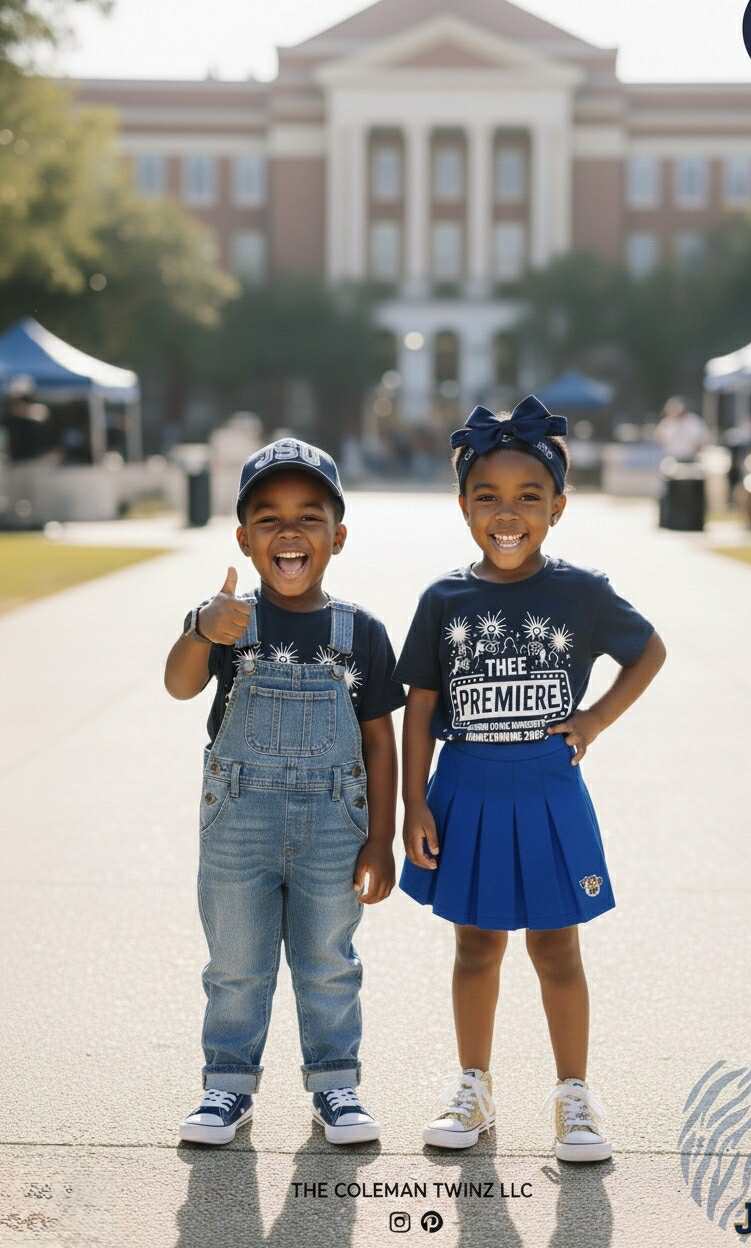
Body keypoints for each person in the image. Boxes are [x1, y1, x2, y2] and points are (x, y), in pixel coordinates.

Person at [394, 396, 666, 1162]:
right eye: (488, 497)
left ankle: (574, 1097)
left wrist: (596, 720)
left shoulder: (579, 591)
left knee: (557, 949)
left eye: (528, 499)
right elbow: (420, 707)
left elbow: (649, 651)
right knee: (476, 947)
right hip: (466, 791)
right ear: (463, 506)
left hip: (548, 793)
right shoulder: (445, 599)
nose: (507, 515)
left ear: (558, 508)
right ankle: (472, 1089)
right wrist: (415, 802)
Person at [164, 436, 405, 1146]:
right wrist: (202, 629)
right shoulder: (228, 620)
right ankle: (226, 1089)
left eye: (309, 516)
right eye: (268, 518)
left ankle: (336, 1085)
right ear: (244, 538)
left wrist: (382, 838)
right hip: (240, 818)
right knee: (236, 960)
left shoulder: (360, 631)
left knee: (328, 959)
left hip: (336, 821)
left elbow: (380, 741)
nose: (289, 531)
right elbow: (179, 685)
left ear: (338, 535)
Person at [653, 395, 709, 461]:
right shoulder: (666, 423)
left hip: (691, 458)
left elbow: (702, 439)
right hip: (672, 458)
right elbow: (658, 438)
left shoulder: (693, 421)